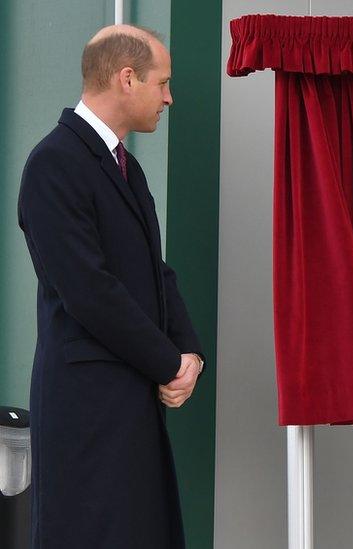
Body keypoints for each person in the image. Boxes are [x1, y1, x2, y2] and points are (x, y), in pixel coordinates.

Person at [17, 25, 204, 548]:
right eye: (162, 82)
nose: (168, 97)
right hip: (87, 412)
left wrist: (190, 352)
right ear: (127, 78)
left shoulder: (127, 167)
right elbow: (88, 291)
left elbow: (155, 270)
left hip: (128, 402)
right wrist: (168, 364)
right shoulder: (54, 164)